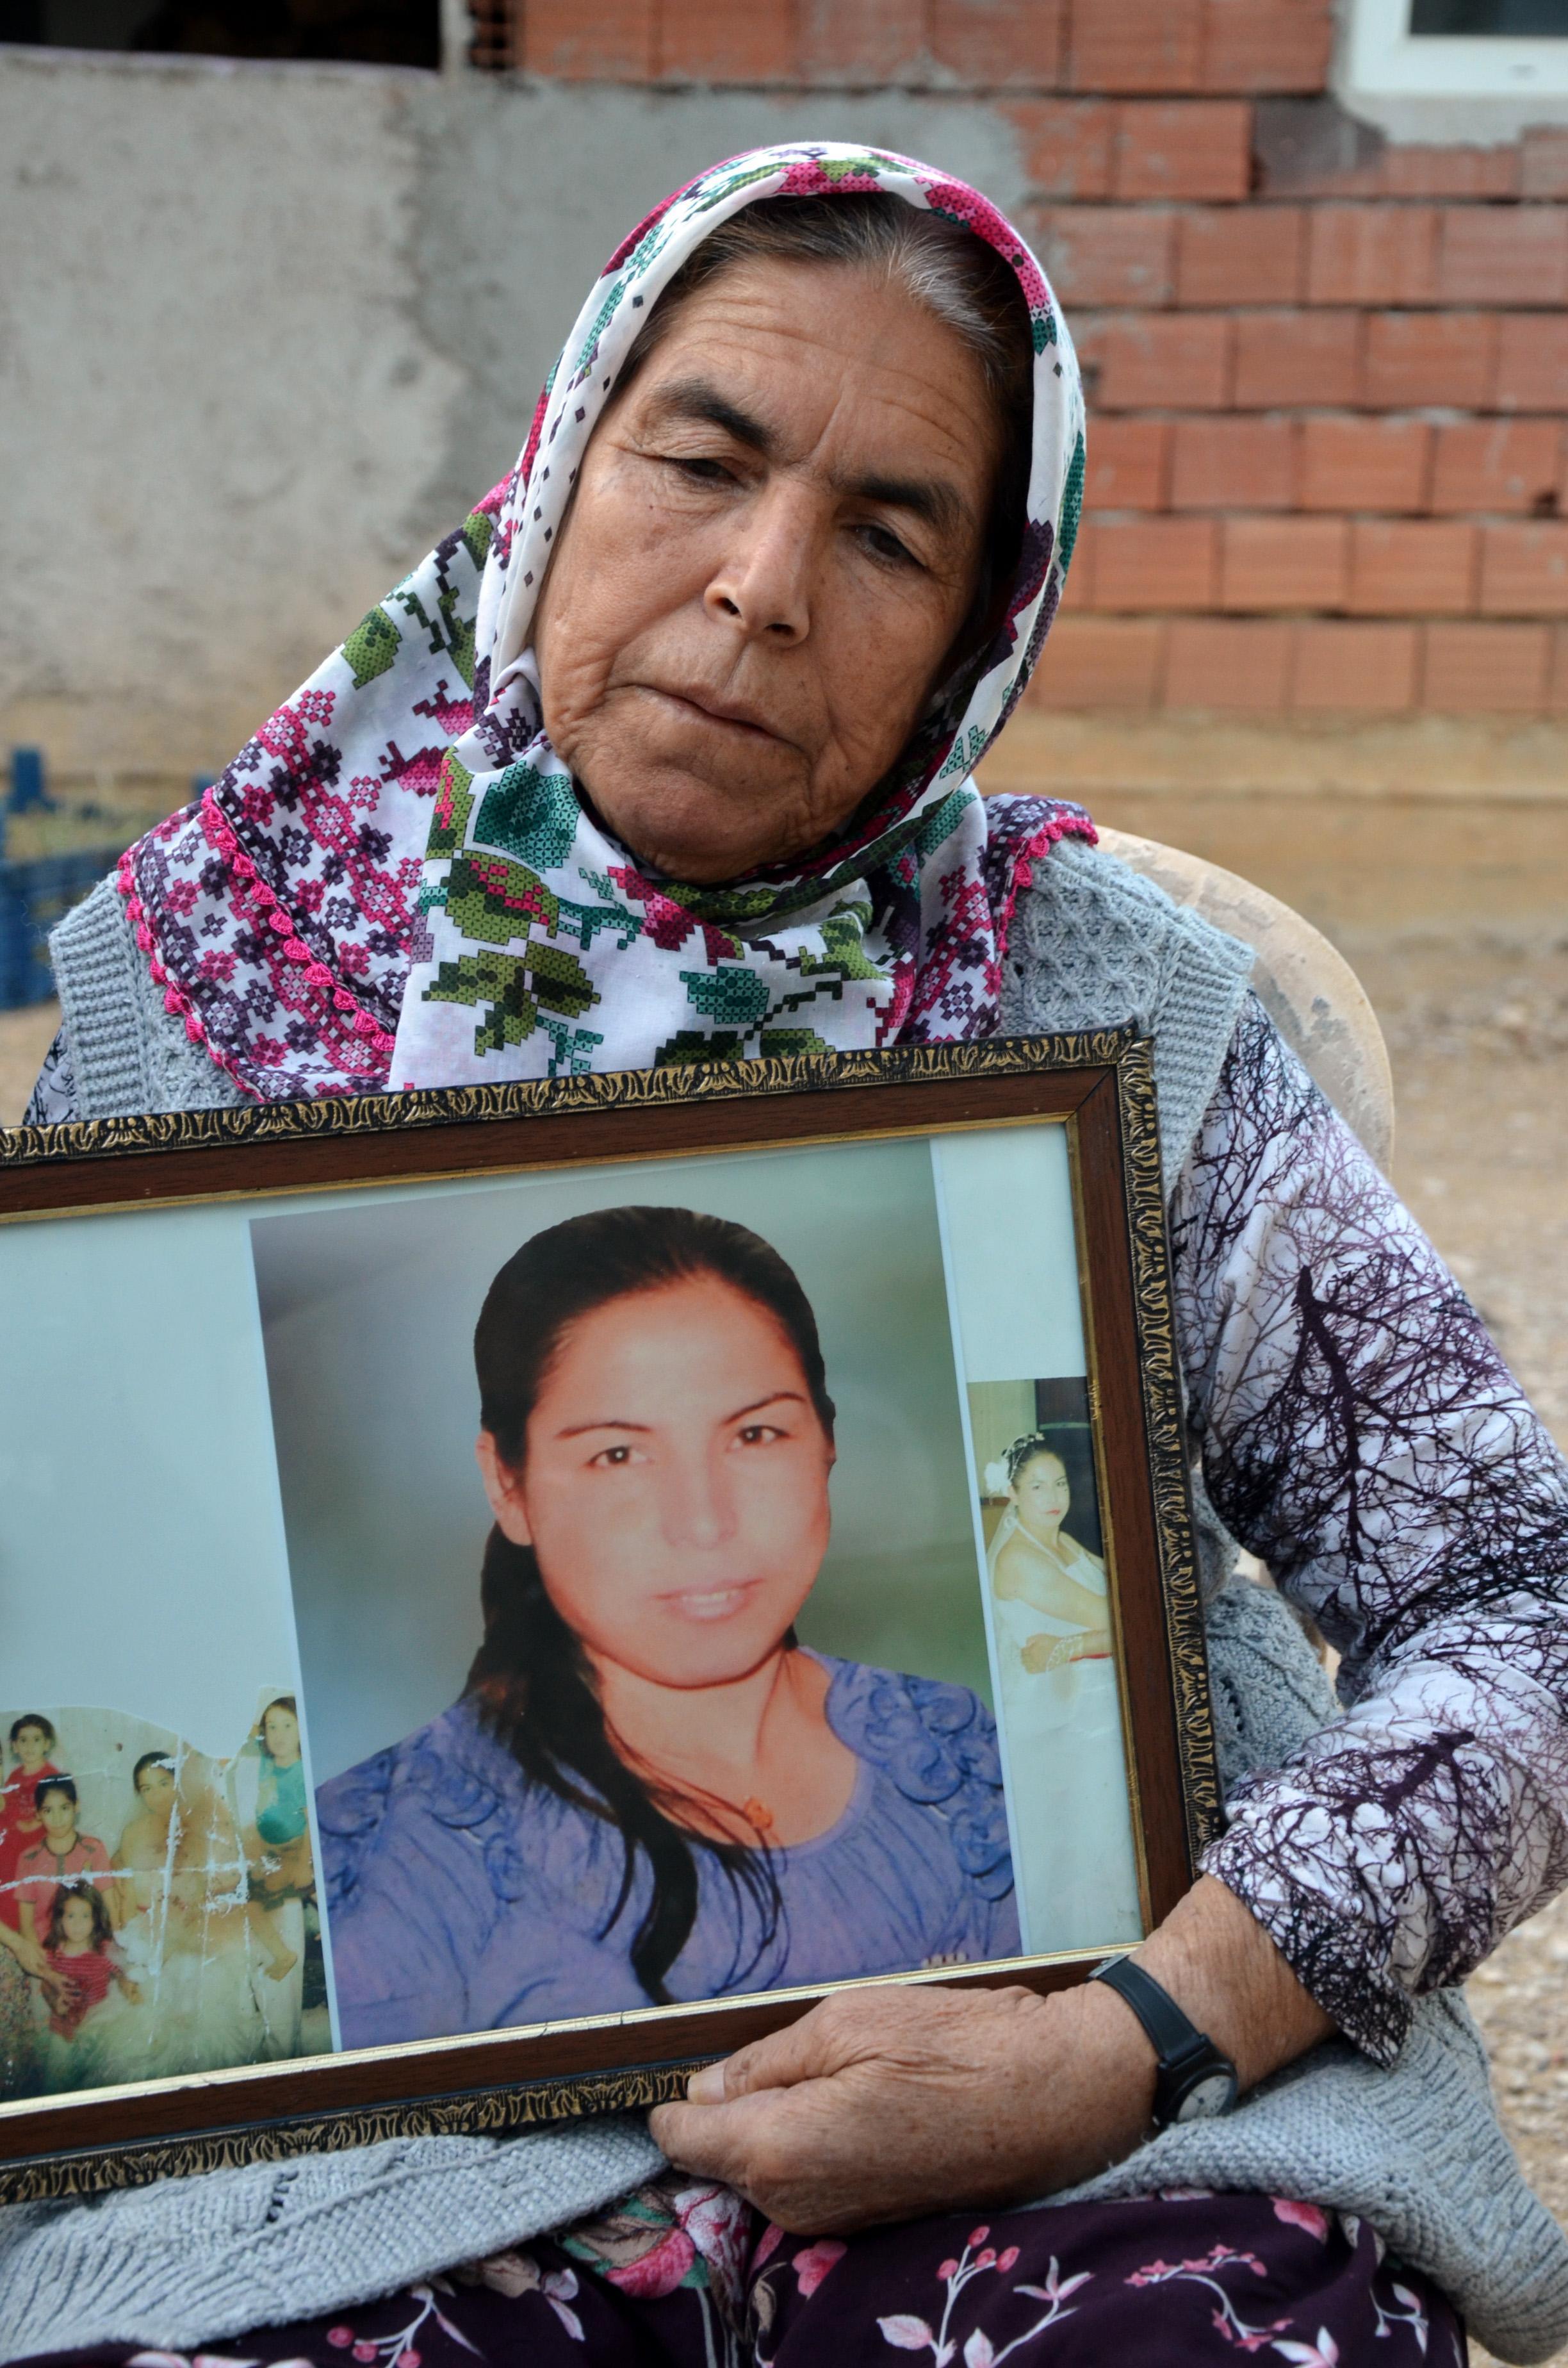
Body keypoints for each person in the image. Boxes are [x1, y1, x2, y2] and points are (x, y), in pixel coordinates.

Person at [8, 142, 1567, 2367]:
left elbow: (1517, 1596)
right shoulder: (216, 982)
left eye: (885, 532)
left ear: (976, 622)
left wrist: (1136, 2028)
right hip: (345, 2197)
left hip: (1065, 2143)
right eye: (702, 460)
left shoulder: (1104, 1009)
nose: (754, 586)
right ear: (561, 458)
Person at [319, 1206, 1017, 2048]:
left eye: (755, 1434)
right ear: (508, 1485)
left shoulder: (969, 1758)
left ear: (829, 1441)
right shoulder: (385, 1869)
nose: (704, 1523)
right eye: (618, 1455)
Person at [985, 1435, 1139, 1952]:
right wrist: (1087, 1643)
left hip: (1091, 1700)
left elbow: (1130, 1605)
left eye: (1060, 1483)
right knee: (1087, 1859)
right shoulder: (1021, 1560)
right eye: (1036, 1486)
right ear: (1012, 1492)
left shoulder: (1058, 1539)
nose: (1053, 1496)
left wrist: (1069, 1645)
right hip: (1062, 1720)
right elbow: (1120, 1616)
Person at [37, 1882, 140, 2051]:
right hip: (64, 2026)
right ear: (60, 1919)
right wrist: (54, 2001)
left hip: (98, 2021)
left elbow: (121, 1973)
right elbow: (46, 1984)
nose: (78, 1924)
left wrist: (127, 1985)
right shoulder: (54, 1953)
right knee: (59, 2069)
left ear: (95, 1919)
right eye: (71, 1916)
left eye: (85, 1916)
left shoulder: (103, 1949)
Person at [14, 1780, 115, 1950]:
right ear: (38, 1814)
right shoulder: (29, 1859)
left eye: (64, 1808)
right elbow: (26, 1925)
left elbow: (110, 1907)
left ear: (77, 1807)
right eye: (48, 1810)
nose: (57, 1818)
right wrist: (44, 1963)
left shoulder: (93, 1849)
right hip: (42, 1949)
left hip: (88, 1948)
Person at [247, 1697, 313, 1904]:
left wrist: (303, 1864)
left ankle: (310, 1890)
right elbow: (251, 1732)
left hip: (292, 1847)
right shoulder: (268, 1758)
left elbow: (312, 1824)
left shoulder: (301, 1775)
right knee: (246, 1866)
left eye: (287, 1726)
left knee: (273, 1884)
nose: (279, 1735)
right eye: (272, 1727)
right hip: (264, 1838)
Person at [0, 1715, 60, 1934]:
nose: (29, 1746)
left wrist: (33, 1824)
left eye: (36, 1740)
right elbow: (9, 1806)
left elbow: (57, 1809)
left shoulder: (52, 1775)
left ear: (47, 1744)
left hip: (39, 1837)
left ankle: (27, 1924)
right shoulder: (15, 1776)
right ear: (15, 1746)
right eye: (23, 1740)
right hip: (15, 1836)